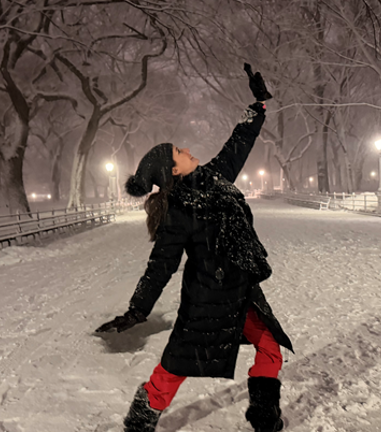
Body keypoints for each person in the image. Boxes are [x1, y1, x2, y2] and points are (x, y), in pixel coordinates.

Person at [95, 64, 293, 432]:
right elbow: (161, 266)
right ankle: (139, 422)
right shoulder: (178, 213)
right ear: (173, 170)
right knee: (175, 366)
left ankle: (265, 418)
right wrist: (137, 310)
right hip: (206, 299)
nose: (187, 149)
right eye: (179, 151)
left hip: (241, 291)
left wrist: (257, 105)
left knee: (270, 348)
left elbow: (238, 144)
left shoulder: (215, 178)